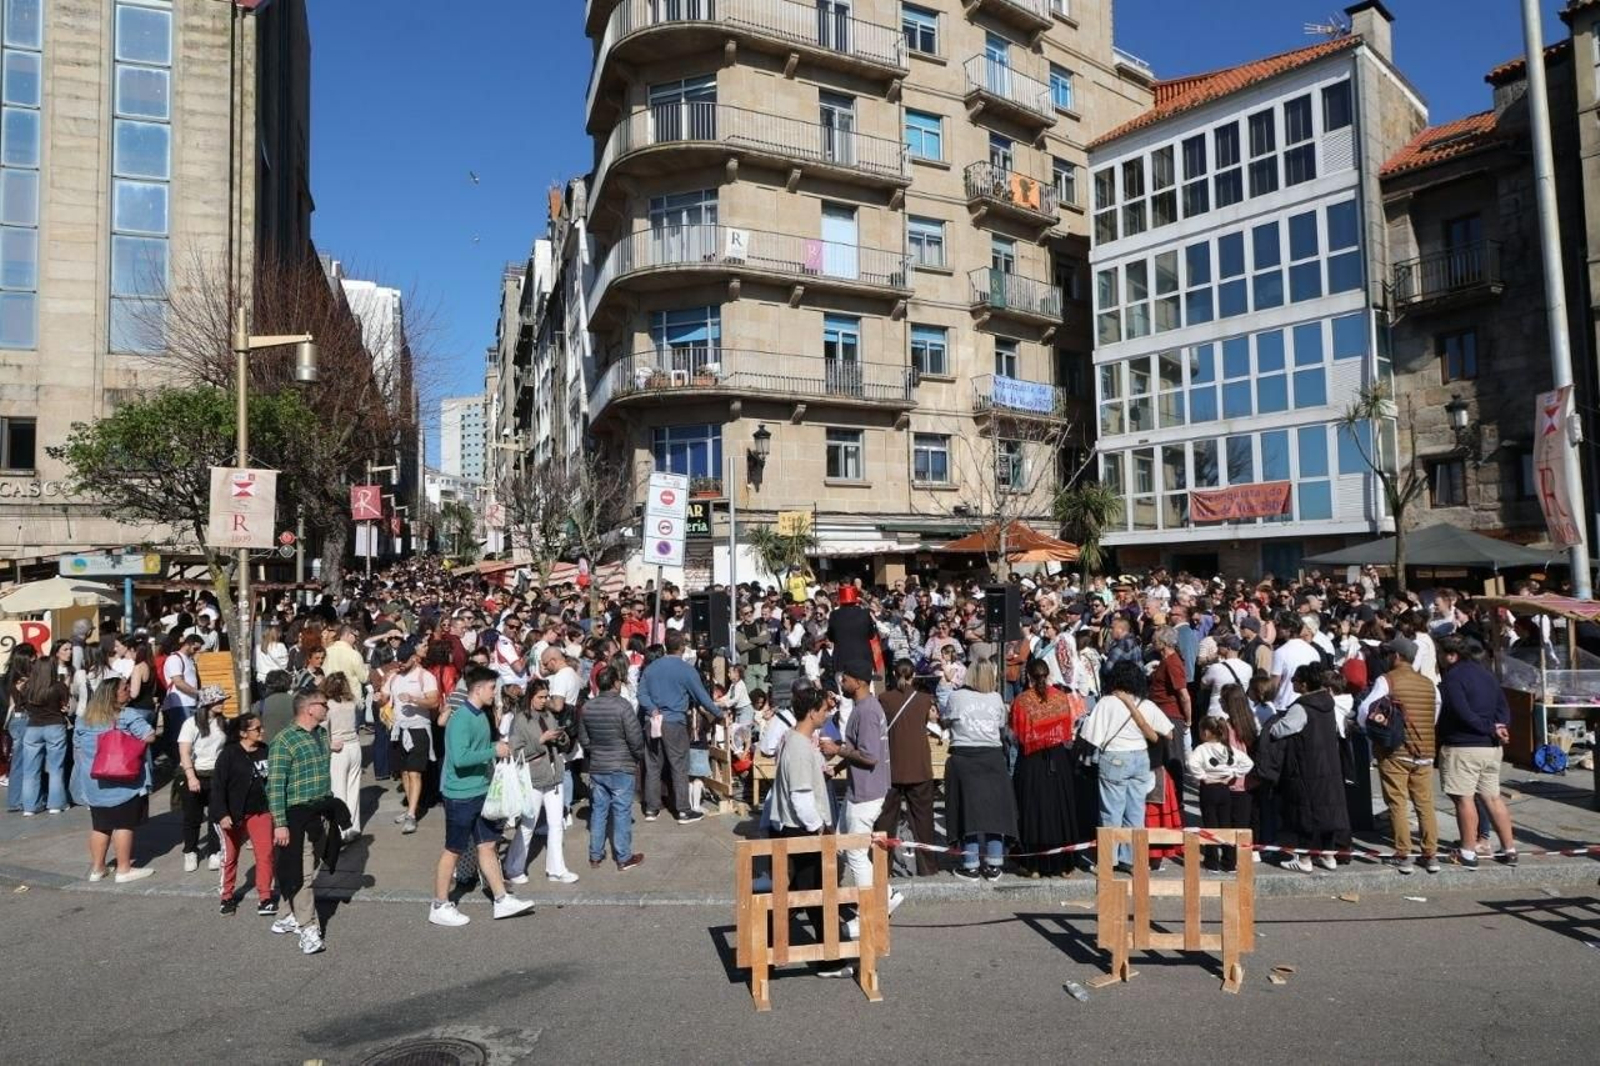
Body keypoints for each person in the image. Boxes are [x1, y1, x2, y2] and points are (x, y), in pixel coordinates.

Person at [428, 665, 536, 927]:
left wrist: (495, 747)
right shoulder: (461, 719)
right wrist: (493, 751)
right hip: (461, 795)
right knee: (453, 850)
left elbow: (478, 748)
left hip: (481, 791)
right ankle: (440, 904)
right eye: (491, 688)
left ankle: (501, 899)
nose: (494, 694)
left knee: (487, 845)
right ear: (477, 689)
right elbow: (460, 758)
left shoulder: (479, 715)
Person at [765, 685, 851, 978]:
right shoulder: (799, 746)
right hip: (801, 830)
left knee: (804, 894)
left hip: (795, 827)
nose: (827, 714)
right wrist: (821, 829)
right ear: (812, 712)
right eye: (824, 710)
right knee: (806, 894)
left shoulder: (795, 739)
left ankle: (775, 950)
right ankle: (768, 949)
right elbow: (801, 797)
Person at [820, 663, 902, 937]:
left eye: (845, 678)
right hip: (860, 788)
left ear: (858, 681)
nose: (841, 682)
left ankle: (870, 912)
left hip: (867, 792)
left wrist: (836, 749)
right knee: (844, 843)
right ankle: (887, 894)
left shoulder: (866, 711)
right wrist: (838, 767)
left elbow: (869, 756)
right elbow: (859, 751)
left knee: (855, 851)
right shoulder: (864, 707)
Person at [1357, 636, 1441, 875]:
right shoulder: (1429, 683)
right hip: (1424, 750)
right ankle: (1430, 854)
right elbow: (1435, 712)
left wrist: (1370, 729)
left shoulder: (1387, 680)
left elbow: (1366, 710)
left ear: (1396, 656)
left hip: (1395, 750)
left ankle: (1403, 854)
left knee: (1397, 802)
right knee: (1425, 803)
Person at [1078, 660, 1172, 871]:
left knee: (1111, 811)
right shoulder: (1145, 703)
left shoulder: (1107, 703)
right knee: (1135, 812)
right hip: (1141, 757)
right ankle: (1131, 859)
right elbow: (1168, 731)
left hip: (1115, 758)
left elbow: (1090, 736)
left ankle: (1107, 860)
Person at [1436, 636, 1516, 869]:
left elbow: (1462, 712)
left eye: (1441, 653)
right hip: (1491, 747)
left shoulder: (1452, 678)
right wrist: (1499, 727)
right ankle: (1510, 849)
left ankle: (1468, 852)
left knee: (1464, 798)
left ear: (1452, 655)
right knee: (1493, 797)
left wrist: (1489, 727)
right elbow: (1503, 707)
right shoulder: (1487, 675)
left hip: (1463, 746)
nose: (1439, 658)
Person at [267, 689, 336, 955]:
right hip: (295, 817)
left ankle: (285, 915)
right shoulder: (284, 741)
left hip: (321, 812)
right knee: (304, 875)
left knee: (314, 864)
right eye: (323, 704)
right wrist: (280, 823)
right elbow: (275, 787)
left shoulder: (320, 734)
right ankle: (308, 930)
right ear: (309, 708)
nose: (327, 707)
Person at [1270, 662, 1350, 873]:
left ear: (1304, 684)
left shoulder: (1302, 707)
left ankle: (1304, 859)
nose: (1293, 683)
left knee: (1306, 813)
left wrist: (1271, 725)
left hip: (1307, 766)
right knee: (1328, 810)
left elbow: (1281, 730)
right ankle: (1329, 855)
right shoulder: (1328, 703)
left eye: (1295, 680)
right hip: (1330, 765)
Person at [940, 660, 1017, 882]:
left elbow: (946, 720)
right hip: (992, 757)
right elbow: (1001, 726)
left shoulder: (957, 697)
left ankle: (971, 864)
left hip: (964, 757)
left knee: (967, 812)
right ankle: (994, 863)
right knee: (994, 813)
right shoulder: (996, 698)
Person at [76, 676, 157, 883]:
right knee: (123, 824)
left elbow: (77, 745)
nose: (129, 690)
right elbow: (149, 736)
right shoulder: (127, 715)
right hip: (123, 779)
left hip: (94, 781)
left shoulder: (84, 718)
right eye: (124, 688)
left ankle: (97, 868)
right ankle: (123, 869)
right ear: (113, 694)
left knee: (100, 825)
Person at [1009, 658, 1084, 878]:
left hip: (1032, 760)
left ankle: (1033, 865)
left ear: (1029, 677)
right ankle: (1065, 864)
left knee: (1033, 810)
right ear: (1048, 674)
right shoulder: (1062, 698)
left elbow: (1016, 735)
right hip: (1058, 758)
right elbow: (1067, 729)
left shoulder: (1021, 701)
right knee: (1060, 809)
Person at [638, 630, 721, 824]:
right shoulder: (686, 669)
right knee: (679, 765)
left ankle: (651, 808)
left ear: (666, 645)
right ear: (682, 647)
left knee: (653, 765)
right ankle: (683, 810)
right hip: (675, 721)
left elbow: (641, 694)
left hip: (653, 720)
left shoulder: (650, 668)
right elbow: (702, 696)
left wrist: (652, 709)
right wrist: (718, 713)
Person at [501, 678, 579, 886]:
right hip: (533, 777)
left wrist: (561, 738)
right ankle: (513, 867)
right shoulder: (520, 720)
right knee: (528, 824)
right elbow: (516, 751)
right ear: (530, 697)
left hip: (553, 775)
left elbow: (562, 743)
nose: (545, 701)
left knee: (556, 825)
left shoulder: (549, 715)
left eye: (547, 696)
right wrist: (540, 741)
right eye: (540, 697)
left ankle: (557, 869)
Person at [873, 660, 940, 877]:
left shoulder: (884, 699)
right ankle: (927, 866)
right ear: (914, 676)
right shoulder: (924, 699)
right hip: (919, 767)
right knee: (923, 820)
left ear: (894, 674)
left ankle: (882, 866)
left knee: (885, 820)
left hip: (891, 768)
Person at [577, 665, 645, 870]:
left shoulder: (587, 707)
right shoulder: (623, 706)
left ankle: (595, 855)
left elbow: (584, 739)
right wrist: (638, 756)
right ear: (616, 683)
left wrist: (596, 751)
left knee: (598, 811)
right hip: (621, 764)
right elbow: (635, 738)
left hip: (598, 766)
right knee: (622, 812)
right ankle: (623, 857)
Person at [212, 712, 276, 915]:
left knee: (265, 854)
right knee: (230, 856)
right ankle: (226, 896)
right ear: (242, 733)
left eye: (261, 727)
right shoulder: (229, 754)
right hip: (232, 813)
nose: (262, 731)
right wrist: (222, 814)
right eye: (257, 729)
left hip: (260, 811)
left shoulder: (266, 750)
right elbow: (218, 787)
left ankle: (265, 897)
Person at [385, 638, 440, 834]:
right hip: (398, 730)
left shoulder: (425, 676)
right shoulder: (394, 677)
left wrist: (414, 699)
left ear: (414, 659)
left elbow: (434, 702)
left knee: (415, 772)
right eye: (398, 661)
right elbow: (384, 697)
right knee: (405, 773)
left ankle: (411, 815)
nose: (400, 664)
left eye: (404, 661)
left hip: (418, 729)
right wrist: (379, 699)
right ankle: (411, 808)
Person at [1187, 715, 1254, 871]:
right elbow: (1248, 763)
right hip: (1224, 789)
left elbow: (1191, 763)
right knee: (1226, 825)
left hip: (1208, 789)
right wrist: (1232, 774)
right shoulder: (1228, 749)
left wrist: (1203, 776)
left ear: (1205, 732)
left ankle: (1212, 862)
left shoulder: (1202, 749)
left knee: (1210, 825)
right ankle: (1229, 862)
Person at [176, 685, 229, 872]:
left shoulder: (224, 723)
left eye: (222, 700)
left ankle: (215, 851)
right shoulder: (191, 724)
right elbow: (184, 751)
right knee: (192, 816)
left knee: (216, 814)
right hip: (194, 772)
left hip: (216, 774)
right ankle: (190, 851)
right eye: (218, 700)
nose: (222, 703)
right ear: (207, 703)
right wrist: (191, 777)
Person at [16, 658, 71, 815]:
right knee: (56, 768)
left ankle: (30, 807)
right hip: (55, 726)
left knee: (30, 770)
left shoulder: (27, 687)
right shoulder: (59, 686)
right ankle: (56, 804)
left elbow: (22, 706)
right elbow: (65, 707)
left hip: (33, 727)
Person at [322, 673, 363, 841]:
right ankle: (353, 828)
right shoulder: (351, 703)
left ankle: (341, 830)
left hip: (338, 749)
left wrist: (328, 745)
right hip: (354, 745)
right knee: (353, 788)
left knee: (339, 790)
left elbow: (324, 729)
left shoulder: (328, 706)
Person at [160, 631, 203, 763]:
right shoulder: (174, 659)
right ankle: (180, 762)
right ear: (188, 644)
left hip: (189, 702)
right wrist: (197, 692)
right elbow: (178, 682)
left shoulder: (189, 660)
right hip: (179, 703)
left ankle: (181, 761)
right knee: (181, 735)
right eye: (195, 648)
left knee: (187, 734)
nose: (196, 651)